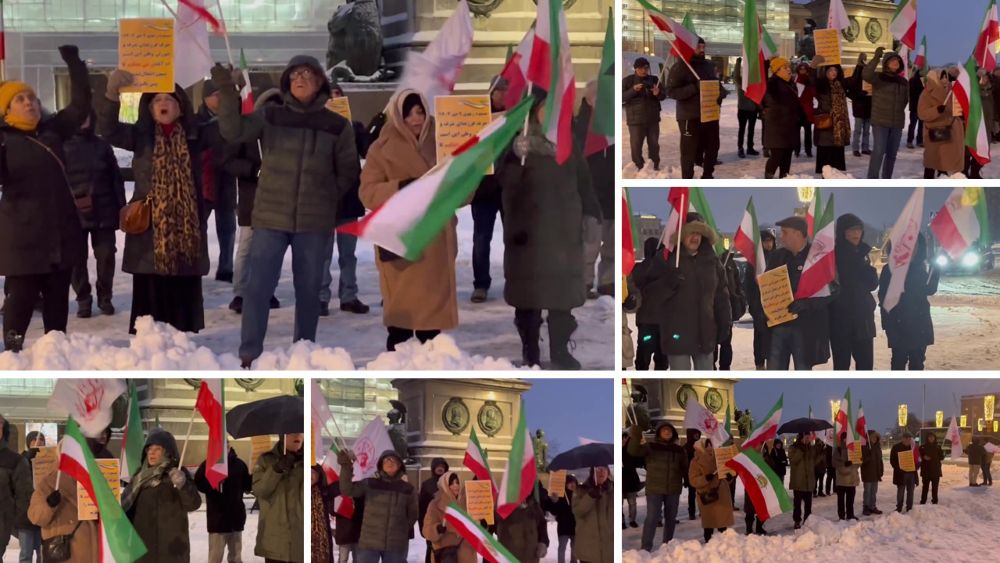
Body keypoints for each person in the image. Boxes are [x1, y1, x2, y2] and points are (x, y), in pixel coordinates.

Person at [211, 58, 359, 366]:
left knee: (309, 294)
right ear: (287, 82)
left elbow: (347, 171)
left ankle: (302, 354)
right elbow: (233, 131)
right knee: (257, 288)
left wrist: (326, 197)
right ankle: (249, 353)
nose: (300, 78)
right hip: (270, 219)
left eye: (307, 74)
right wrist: (227, 91)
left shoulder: (337, 125)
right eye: (294, 74)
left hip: (313, 224)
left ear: (320, 82)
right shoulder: (270, 116)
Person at [100, 73, 210, 335]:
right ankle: (149, 343)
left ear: (180, 106)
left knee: (181, 294)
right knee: (150, 291)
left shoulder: (196, 135)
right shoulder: (141, 136)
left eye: (169, 99)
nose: (163, 103)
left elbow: (229, 128)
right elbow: (108, 129)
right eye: (157, 99)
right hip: (150, 229)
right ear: (148, 108)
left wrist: (228, 89)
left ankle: (180, 342)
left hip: (186, 231)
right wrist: (112, 94)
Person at [498, 92, 598, 370]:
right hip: (528, 233)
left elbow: (583, 180)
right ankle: (530, 348)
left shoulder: (567, 142)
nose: (549, 113)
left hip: (563, 234)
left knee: (561, 300)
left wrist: (591, 212)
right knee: (529, 299)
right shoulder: (518, 142)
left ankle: (560, 350)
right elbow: (504, 183)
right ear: (533, 112)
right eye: (544, 108)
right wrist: (517, 155)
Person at [0, 46, 90, 351]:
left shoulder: (52, 131)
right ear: (6, 111)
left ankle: (55, 352)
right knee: (21, 301)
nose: (29, 103)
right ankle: (12, 353)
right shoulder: (4, 141)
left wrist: (75, 65)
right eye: (20, 99)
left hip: (59, 237)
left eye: (32, 98)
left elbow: (80, 106)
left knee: (57, 309)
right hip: (23, 241)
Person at [361, 90, 460, 353]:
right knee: (401, 321)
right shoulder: (381, 149)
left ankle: (430, 364)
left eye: (419, 112)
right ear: (397, 117)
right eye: (408, 115)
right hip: (401, 240)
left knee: (431, 322)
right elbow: (368, 192)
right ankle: (395, 365)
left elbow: (463, 190)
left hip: (436, 239)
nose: (415, 119)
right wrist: (403, 187)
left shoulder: (445, 142)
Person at [227, 88, 283, 315]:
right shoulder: (247, 134)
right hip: (253, 199)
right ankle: (240, 292)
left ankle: (267, 290)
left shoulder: (286, 134)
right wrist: (254, 169)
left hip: (279, 201)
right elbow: (229, 161)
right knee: (247, 247)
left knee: (273, 248)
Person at [65, 112, 126, 318]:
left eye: (86, 116)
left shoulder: (102, 146)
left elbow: (116, 178)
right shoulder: (62, 145)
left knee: (107, 255)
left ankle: (105, 296)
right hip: (72, 212)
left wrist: (121, 209)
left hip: (105, 210)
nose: (83, 120)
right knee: (75, 259)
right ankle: (83, 299)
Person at [320, 82, 371, 317]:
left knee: (348, 255)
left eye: (338, 96)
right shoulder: (317, 127)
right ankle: (320, 297)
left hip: (349, 200)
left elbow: (368, 150)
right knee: (323, 254)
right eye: (329, 96)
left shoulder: (355, 127)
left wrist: (372, 128)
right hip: (325, 200)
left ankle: (349, 296)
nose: (334, 99)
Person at [657, 220, 732, 370]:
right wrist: (668, 283)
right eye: (691, 232)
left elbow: (721, 296)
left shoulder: (712, 262)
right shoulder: (667, 260)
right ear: (682, 235)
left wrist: (725, 322)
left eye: (698, 233)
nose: (695, 237)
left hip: (706, 336)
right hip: (677, 336)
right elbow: (651, 295)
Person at [122, 429, 202, 563]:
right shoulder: (138, 477)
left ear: (167, 452)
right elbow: (126, 511)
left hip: (172, 552)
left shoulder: (177, 473)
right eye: (149, 449)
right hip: (143, 552)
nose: (152, 452)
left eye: (157, 449)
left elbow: (194, 504)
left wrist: (183, 485)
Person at [26, 431, 104, 562]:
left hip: (91, 550)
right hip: (65, 553)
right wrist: (49, 504)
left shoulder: (95, 478)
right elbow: (35, 516)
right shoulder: (49, 481)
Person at [766, 216, 833, 370]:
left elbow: (833, 290)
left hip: (806, 328)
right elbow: (768, 284)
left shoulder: (817, 256)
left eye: (784, 232)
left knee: (803, 369)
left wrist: (807, 304)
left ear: (797, 234)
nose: (780, 237)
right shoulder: (777, 256)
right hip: (779, 325)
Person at [338, 448, 417, 562]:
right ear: (380, 465)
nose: (389, 462)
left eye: (393, 460)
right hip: (369, 543)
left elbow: (412, 515)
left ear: (400, 465)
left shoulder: (408, 489)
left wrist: (400, 530)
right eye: (386, 460)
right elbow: (347, 490)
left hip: (395, 544)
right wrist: (346, 466)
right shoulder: (370, 484)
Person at [196, 79, 239, 283]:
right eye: (216, 94)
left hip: (226, 181)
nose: (220, 98)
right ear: (205, 98)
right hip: (203, 182)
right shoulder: (197, 121)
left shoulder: (232, 120)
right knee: (198, 227)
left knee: (228, 228)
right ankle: (199, 264)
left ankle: (226, 268)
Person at [470, 76, 509, 304]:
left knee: (511, 239)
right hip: (483, 189)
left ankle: (512, 280)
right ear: (491, 93)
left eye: (507, 91)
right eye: (499, 91)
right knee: (481, 239)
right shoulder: (476, 117)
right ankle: (481, 284)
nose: (503, 95)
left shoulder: (516, 118)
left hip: (508, 188)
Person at [576, 80, 615, 299]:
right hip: (590, 196)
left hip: (611, 194)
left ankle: (607, 282)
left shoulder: (611, 124)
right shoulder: (579, 125)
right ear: (589, 99)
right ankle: (584, 282)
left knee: (611, 246)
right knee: (589, 245)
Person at [666, 38, 726, 179]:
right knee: (689, 151)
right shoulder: (680, 67)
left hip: (710, 115)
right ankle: (687, 179)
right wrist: (693, 88)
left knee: (713, 147)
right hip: (689, 116)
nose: (702, 49)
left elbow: (717, 84)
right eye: (698, 46)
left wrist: (721, 93)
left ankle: (707, 175)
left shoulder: (709, 65)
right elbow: (671, 92)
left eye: (703, 46)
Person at [878, 234, 939, 370]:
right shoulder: (889, 270)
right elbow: (883, 300)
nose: (912, 249)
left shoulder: (919, 268)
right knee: (898, 363)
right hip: (898, 326)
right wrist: (888, 327)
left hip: (919, 325)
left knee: (917, 363)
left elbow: (929, 289)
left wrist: (936, 269)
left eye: (915, 246)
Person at [627, 421, 687, 550]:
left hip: (673, 488)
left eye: (669, 430)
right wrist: (636, 434)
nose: (667, 432)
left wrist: (687, 479)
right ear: (659, 432)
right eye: (664, 430)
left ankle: (667, 545)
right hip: (655, 488)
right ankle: (646, 547)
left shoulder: (679, 450)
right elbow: (633, 451)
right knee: (652, 518)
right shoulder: (650, 447)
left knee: (671, 518)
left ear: (673, 433)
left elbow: (684, 467)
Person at [830, 214, 877, 370]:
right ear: (843, 232)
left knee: (865, 366)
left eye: (859, 229)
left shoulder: (863, 253)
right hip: (841, 322)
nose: (856, 233)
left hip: (863, 321)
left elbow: (872, 284)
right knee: (841, 367)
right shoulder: (833, 256)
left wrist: (867, 267)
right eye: (852, 230)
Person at [195, 447, 253, 563]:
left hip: (235, 518)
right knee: (215, 558)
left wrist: (253, 476)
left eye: (225, 444)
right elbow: (199, 485)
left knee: (236, 557)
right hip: (217, 520)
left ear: (229, 446)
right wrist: (213, 479)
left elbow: (248, 486)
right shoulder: (208, 465)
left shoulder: (239, 464)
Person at [253, 434, 304, 563]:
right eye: (292, 431)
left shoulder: (310, 462)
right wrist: (276, 469)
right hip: (276, 542)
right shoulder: (266, 460)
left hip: (302, 541)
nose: (297, 435)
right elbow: (260, 490)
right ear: (283, 436)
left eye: (300, 431)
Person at [862, 47, 909, 178]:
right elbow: (866, 75)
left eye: (897, 61)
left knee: (892, 154)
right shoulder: (878, 78)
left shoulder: (903, 82)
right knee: (879, 151)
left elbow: (905, 100)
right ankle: (872, 179)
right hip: (880, 122)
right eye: (892, 61)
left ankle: (887, 178)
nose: (895, 63)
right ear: (886, 63)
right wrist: (876, 57)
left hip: (896, 123)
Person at [918, 68, 965, 178]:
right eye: (941, 77)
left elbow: (958, 108)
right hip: (935, 132)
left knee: (947, 163)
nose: (944, 80)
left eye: (945, 77)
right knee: (933, 161)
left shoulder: (952, 90)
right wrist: (936, 110)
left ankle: (944, 181)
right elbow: (922, 113)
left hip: (951, 131)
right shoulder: (926, 93)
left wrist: (961, 113)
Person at [630, 238, 668, 370]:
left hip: (645, 321)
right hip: (663, 322)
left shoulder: (638, 269)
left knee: (643, 356)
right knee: (662, 358)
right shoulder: (666, 269)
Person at [422, 471, 477, 563]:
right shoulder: (435, 504)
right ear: (445, 485)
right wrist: (437, 529)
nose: (455, 486)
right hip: (445, 555)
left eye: (457, 482)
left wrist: (481, 523)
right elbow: (427, 530)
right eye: (451, 483)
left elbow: (476, 526)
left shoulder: (468, 502)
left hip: (467, 554)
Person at [762, 57, 803, 178]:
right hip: (776, 128)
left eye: (789, 67)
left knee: (786, 159)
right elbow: (763, 82)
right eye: (785, 67)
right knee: (776, 157)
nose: (789, 70)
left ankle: (784, 179)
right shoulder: (772, 83)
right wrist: (765, 63)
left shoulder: (791, 84)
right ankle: (768, 180)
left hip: (789, 127)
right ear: (777, 71)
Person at [623, 57, 666, 171]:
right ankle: (639, 166)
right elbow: (621, 97)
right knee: (636, 145)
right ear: (635, 69)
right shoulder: (628, 81)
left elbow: (663, 96)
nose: (644, 70)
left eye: (646, 68)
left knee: (654, 145)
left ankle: (654, 166)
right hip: (635, 120)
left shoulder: (654, 79)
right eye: (641, 68)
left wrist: (658, 93)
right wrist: (633, 90)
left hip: (653, 119)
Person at [810, 57, 851, 174]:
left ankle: (835, 177)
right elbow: (811, 80)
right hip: (826, 124)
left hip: (839, 126)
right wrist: (813, 66)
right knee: (825, 153)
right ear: (825, 72)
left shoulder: (840, 84)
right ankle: (825, 177)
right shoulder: (821, 84)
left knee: (836, 156)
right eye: (830, 71)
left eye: (835, 70)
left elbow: (854, 81)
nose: (833, 73)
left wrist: (859, 66)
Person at [688, 439, 733, 543]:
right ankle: (708, 544)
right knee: (709, 522)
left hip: (721, 494)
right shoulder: (695, 461)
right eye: (707, 445)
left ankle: (724, 545)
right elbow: (693, 480)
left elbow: (725, 477)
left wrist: (729, 477)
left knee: (722, 522)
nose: (709, 447)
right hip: (707, 494)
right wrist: (705, 479)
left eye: (711, 444)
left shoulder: (720, 458)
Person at [743, 230, 776, 369]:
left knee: (774, 340)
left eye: (770, 240)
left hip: (775, 307)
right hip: (759, 307)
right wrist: (754, 306)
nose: (768, 243)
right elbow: (748, 287)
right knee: (760, 338)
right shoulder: (753, 263)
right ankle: (760, 364)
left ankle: (772, 363)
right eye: (765, 241)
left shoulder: (778, 258)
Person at [572, 467, 612, 563]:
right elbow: (578, 512)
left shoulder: (613, 491)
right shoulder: (580, 491)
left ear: (608, 472)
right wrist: (590, 496)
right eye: (598, 468)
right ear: (592, 472)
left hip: (610, 552)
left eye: (604, 468)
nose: (601, 471)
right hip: (588, 552)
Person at [715, 247, 746, 371]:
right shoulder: (707, 261)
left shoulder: (729, 262)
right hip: (711, 310)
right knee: (711, 345)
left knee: (726, 342)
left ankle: (725, 368)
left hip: (728, 309)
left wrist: (739, 300)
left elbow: (737, 284)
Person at [17, 431, 45, 562]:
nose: (38, 443)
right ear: (28, 443)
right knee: (26, 554)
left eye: (41, 441)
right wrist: (28, 459)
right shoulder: (20, 461)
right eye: (34, 441)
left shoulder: (49, 462)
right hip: (25, 516)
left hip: (45, 515)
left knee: (43, 553)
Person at [496, 494, 549, 563]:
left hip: (531, 557)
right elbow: (491, 523)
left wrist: (543, 542)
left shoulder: (532, 502)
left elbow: (541, 523)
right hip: (510, 557)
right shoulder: (502, 500)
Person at [419, 458, 449, 563]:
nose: (440, 468)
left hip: (448, 523)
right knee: (432, 550)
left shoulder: (451, 483)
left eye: (442, 466)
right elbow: (421, 507)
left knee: (448, 551)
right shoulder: (427, 484)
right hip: (432, 523)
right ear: (433, 468)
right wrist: (423, 527)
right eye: (438, 466)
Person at [542, 474, 577, 563]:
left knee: (575, 548)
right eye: (570, 483)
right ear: (565, 484)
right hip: (563, 527)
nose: (572, 485)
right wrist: (554, 501)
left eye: (574, 483)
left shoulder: (578, 496)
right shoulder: (560, 496)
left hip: (576, 527)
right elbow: (554, 511)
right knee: (562, 547)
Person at [733, 57, 762, 158]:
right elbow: (736, 76)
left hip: (753, 110)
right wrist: (738, 63)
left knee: (751, 130)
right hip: (743, 110)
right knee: (742, 129)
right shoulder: (741, 83)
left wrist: (759, 108)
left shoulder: (754, 84)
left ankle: (750, 148)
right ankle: (740, 148)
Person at [787, 432, 816, 529]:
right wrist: (801, 450)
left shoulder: (810, 448)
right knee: (797, 505)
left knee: (808, 505)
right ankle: (797, 521)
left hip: (808, 482)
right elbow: (793, 460)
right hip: (798, 482)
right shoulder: (793, 448)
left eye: (809, 438)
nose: (808, 439)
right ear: (801, 438)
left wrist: (821, 453)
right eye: (806, 437)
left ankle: (807, 520)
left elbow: (814, 462)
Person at [847, 54, 873, 157]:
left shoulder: (870, 79)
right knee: (858, 130)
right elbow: (849, 92)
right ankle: (856, 148)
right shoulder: (855, 79)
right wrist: (858, 94)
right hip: (859, 107)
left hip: (868, 106)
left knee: (866, 130)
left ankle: (865, 148)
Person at [832, 432, 860, 521]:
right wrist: (844, 463)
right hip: (842, 480)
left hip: (852, 479)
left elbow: (858, 464)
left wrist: (859, 460)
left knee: (850, 500)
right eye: (845, 438)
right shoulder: (838, 449)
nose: (847, 440)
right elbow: (834, 463)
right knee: (841, 500)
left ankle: (850, 514)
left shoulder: (854, 448)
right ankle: (841, 516)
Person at [890, 433, 917, 513]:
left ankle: (909, 507)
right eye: (905, 438)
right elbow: (892, 461)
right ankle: (899, 507)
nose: (907, 440)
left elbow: (917, 459)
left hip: (911, 473)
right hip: (901, 474)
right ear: (902, 438)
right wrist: (899, 468)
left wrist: (916, 466)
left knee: (911, 491)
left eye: (909, 438)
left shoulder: (913, 447)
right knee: (901, 491)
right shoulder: (896, 447)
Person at [795, 61, 816, 159]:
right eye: (801, 69)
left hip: (807, 111)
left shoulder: (810, 81)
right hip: (798, 111)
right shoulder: (796, 80)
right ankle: (797, 150)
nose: (802, 70)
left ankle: (808, 150)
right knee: (796, 132)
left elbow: (814, 94)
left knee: (808, 133)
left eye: (804, 69)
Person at [861, 430, 885, 515]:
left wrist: (881, 470)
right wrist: (869, 456)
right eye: (872, 437)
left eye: (875, 437)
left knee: (874, 491)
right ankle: (866, 507)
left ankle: (872, 506)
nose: (874, 439)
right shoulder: (864, 447)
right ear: (868, 438)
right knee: (867, 491)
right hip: (867, 473)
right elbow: (862, 461)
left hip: (876, 473)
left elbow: (880, 460)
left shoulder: (877, 447)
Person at [622, 432, 643, 528]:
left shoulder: (632, 451)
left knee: (632, 502)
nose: (624, 440)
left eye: (625, 438)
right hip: (621, 480)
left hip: (631, 479)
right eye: (622, 438)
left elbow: (639, 462)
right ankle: (621, 522)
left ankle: (632, 520)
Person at [918, 432, 944, 505]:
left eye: (932, 437)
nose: (931, 438)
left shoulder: (938, 447)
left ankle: (935, 501)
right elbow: (918, 457)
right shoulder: (922, 447)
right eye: (929, 437)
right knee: (925, 487)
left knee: (935, 488)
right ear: (927, 438)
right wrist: (923, 457)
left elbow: (942, 457)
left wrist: (942, 453)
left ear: (935, 438)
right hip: (926, 471)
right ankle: (923, 501)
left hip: (935, 470)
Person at [683, 429, 701, 521]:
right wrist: (686, 478)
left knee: (702, 493)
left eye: (698, 434)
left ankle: (702, 510)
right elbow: (684, 464)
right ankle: (692, 513)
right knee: (692, 494)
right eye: (695, 434)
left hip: (701, 474)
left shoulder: (701, 445)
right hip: (691, 474)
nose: (697, 435)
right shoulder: (686, 447)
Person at [907, 67, 925, 149]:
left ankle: (920, 140)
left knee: (921, 125)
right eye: (922, 70)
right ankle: (909, 141)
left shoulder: (927, 81)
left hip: (923, 107)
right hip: (914, 106)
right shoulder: (913, 80)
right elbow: (910, 92)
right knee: (912, 125)